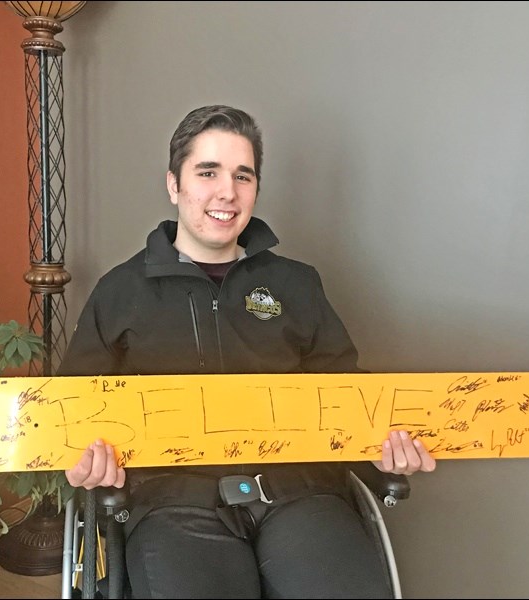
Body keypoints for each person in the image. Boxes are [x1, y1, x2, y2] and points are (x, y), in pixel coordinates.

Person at [58, 105, 436, 599]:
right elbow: (69, 409)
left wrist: (385, 451)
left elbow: (349, 393)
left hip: (302, 494)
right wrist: (77, 458)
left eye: (243, 175)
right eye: (207, 172)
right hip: (174, 505)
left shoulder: (297, 284)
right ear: (174, 184)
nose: (227, 192)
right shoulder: (120, 291)